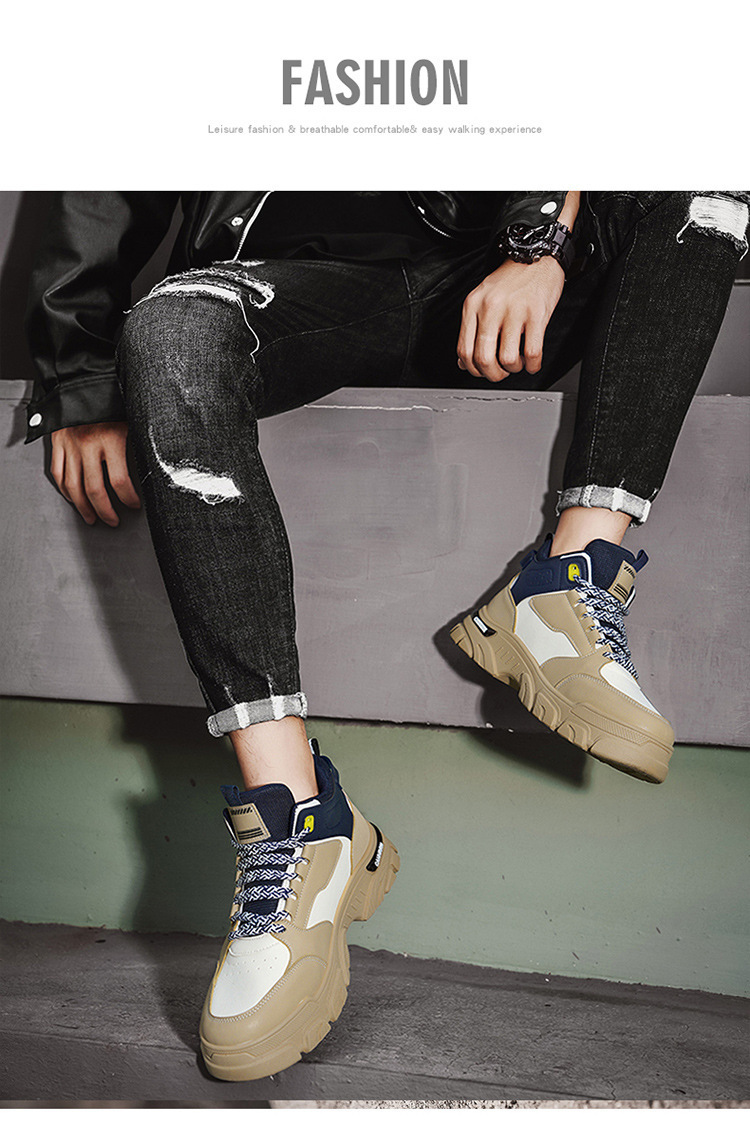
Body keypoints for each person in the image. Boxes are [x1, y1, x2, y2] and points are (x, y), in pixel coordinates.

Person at [24, 190, 749, 1080]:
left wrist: (539, 241)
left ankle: (571, 577)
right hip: (298, 279)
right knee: (173, 327)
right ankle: (298, 823)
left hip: (500, 272)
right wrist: (80, 379)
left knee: (704, 187)